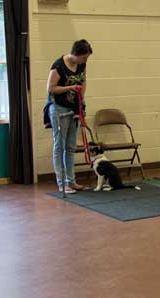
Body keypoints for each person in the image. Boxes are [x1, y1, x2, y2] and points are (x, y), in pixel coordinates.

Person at [47, 39, 93, 194]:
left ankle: (71, 181)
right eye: (84, 57)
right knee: (59, 146)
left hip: (74, 109)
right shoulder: (58, 66)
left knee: (71, 147)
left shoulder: (81, 65)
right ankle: (61, 184)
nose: (85, 61)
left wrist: (81, 99)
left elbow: (84, 80)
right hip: (59, 109)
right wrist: (70, 88)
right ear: (76, 54)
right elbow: (51, 88)